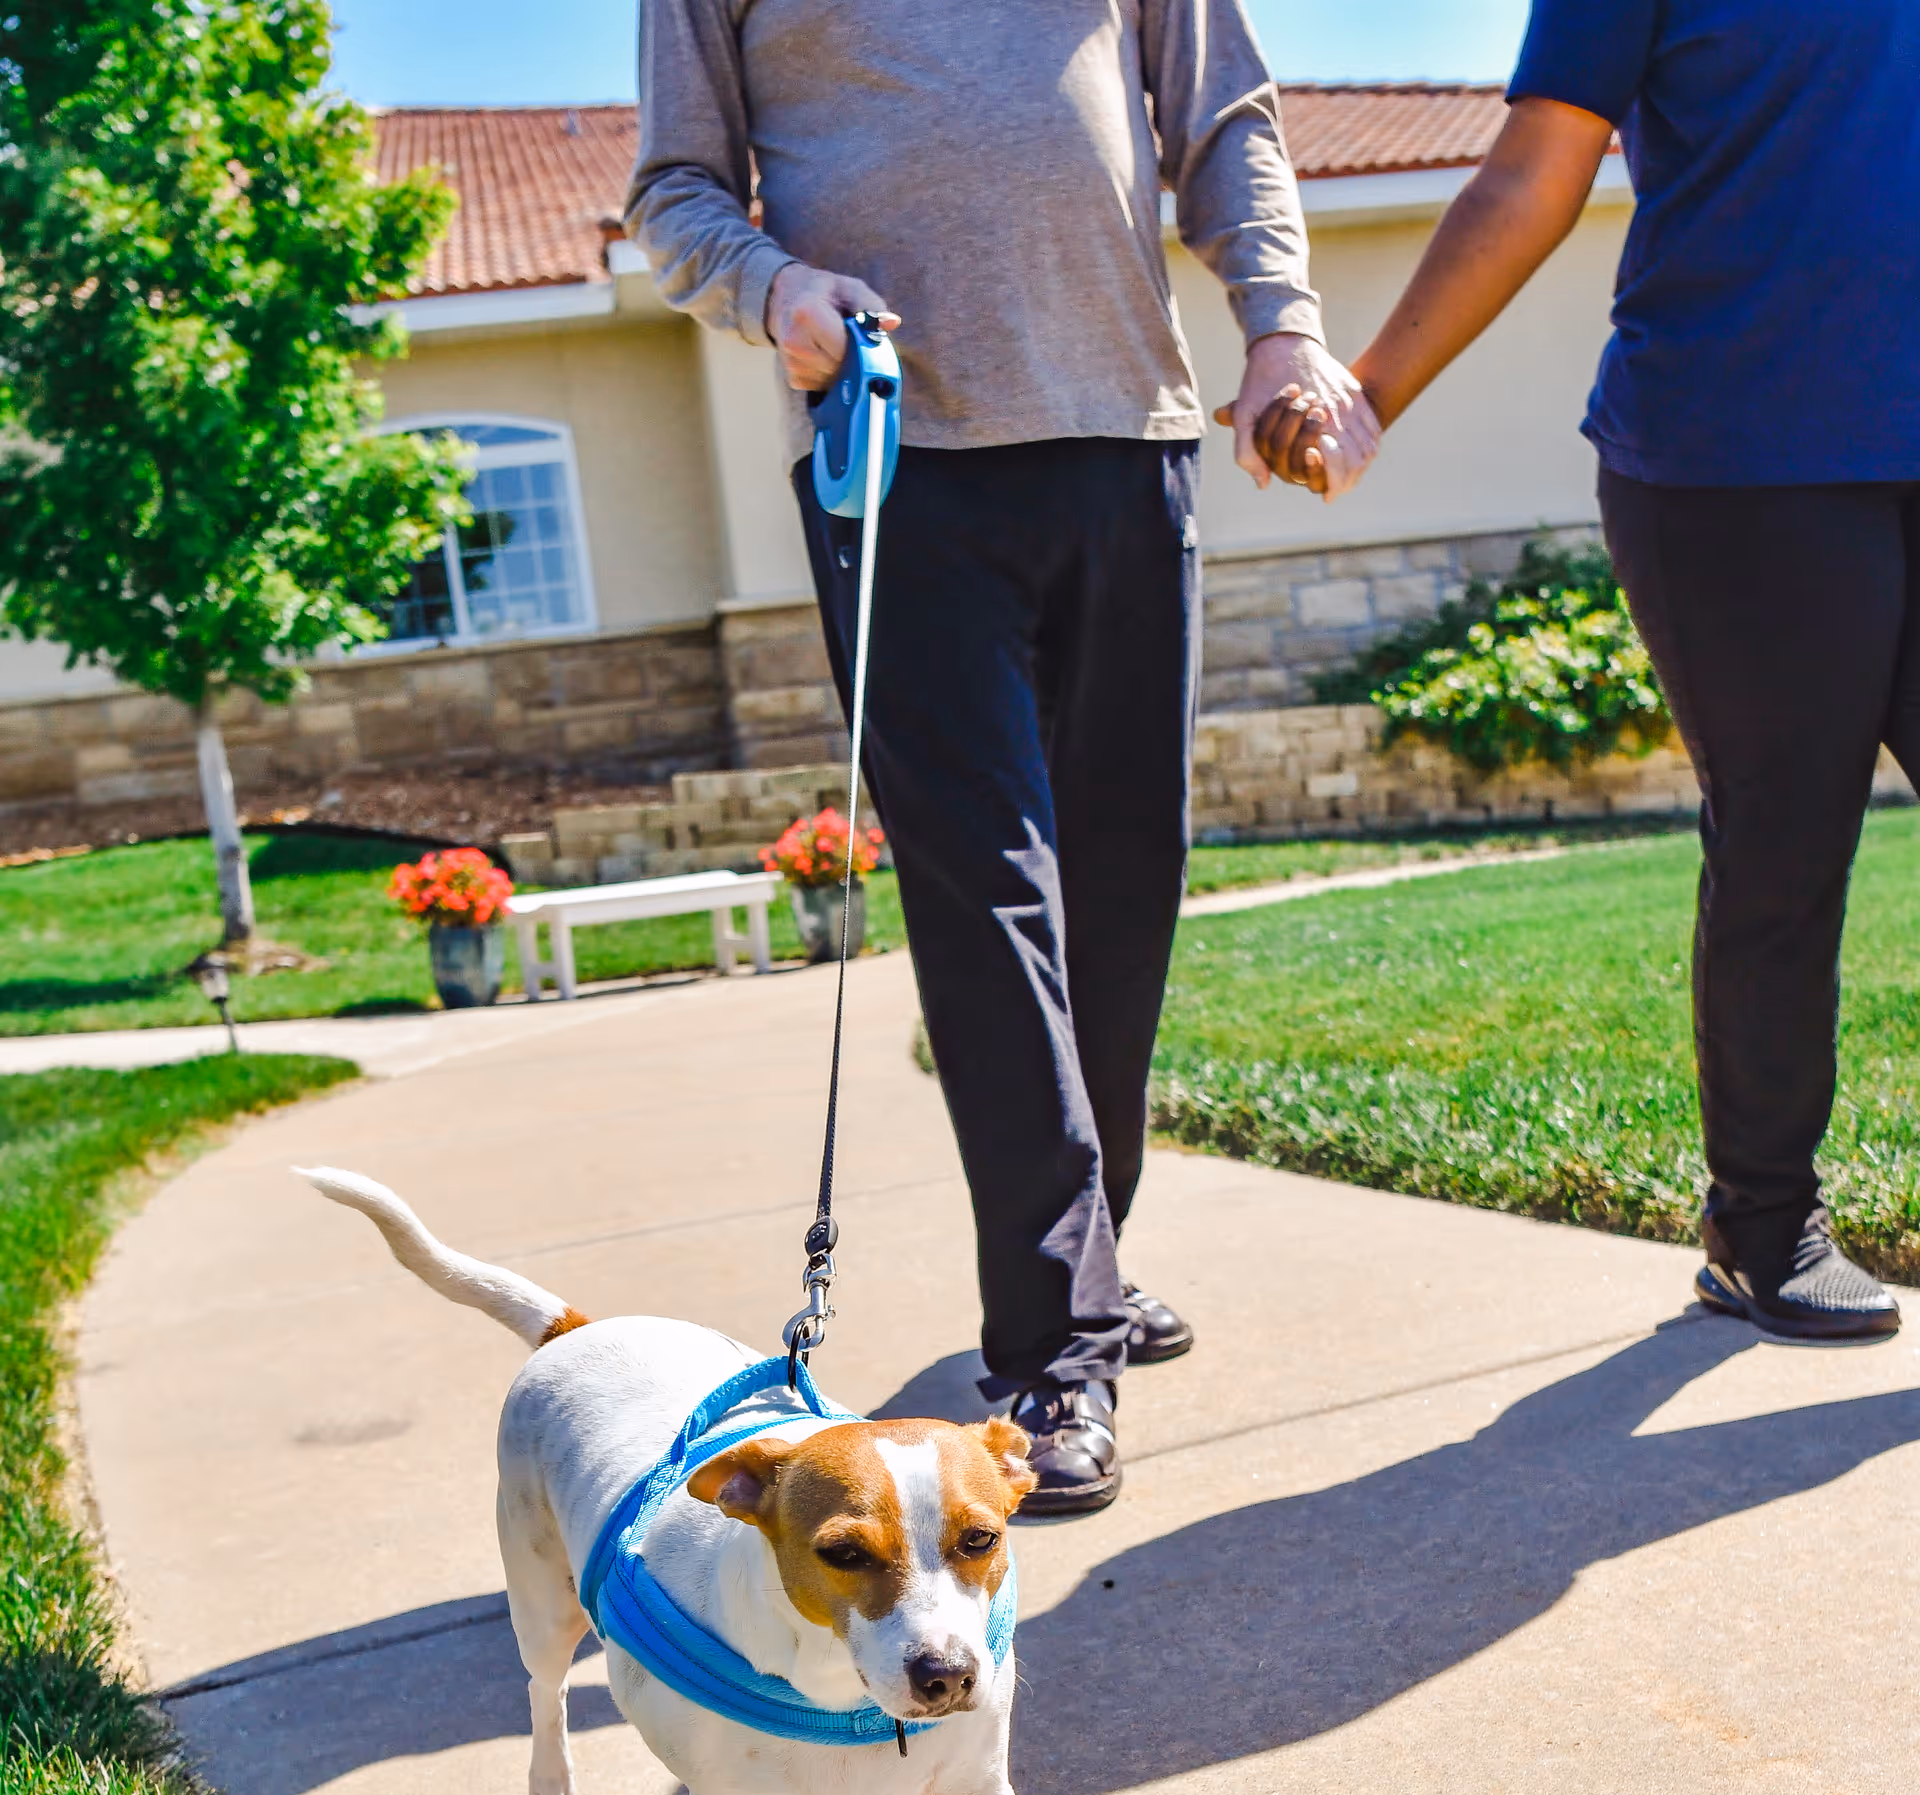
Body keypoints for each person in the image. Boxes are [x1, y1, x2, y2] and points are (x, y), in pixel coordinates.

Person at [630, 1, 1376, 1506]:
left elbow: (1220, 113)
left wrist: (1279, 314)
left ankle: (1087, 1251)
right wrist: (775, 286)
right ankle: (1051, 1346)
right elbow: (676, 190)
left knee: (1124, 885)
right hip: (900, 464)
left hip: (1128, 430)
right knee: (988, 898)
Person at [1267, 0, 1920, 1343]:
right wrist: (1376, 391)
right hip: (1739, 456)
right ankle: (1760, 1223)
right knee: (1789, 844)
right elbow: (1535, 170)